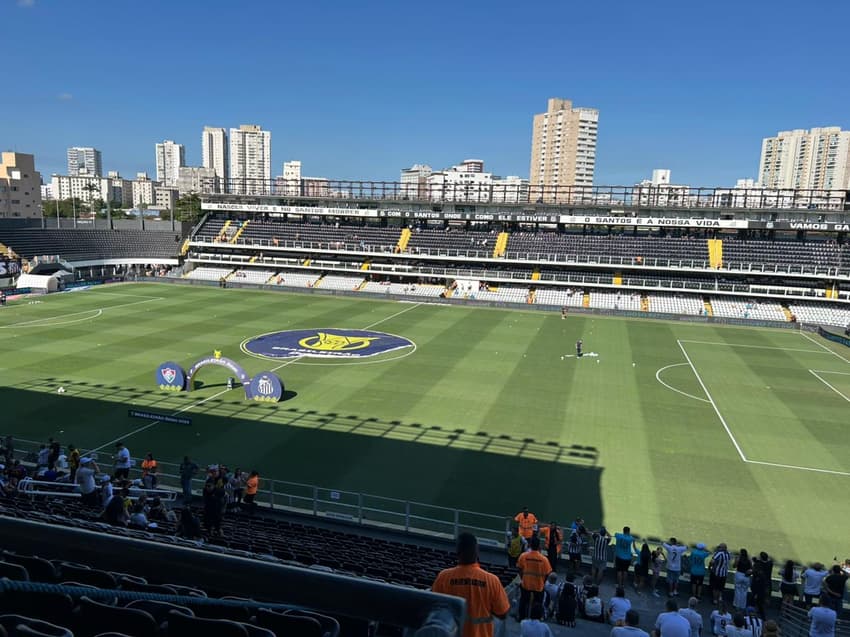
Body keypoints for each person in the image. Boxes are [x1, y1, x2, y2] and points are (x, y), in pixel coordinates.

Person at [431, 533, 510, 637]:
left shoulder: (443, 577)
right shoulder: (492, 580)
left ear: (458, 552)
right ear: (477, 552)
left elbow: (434, 608)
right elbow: (503, 613)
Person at [517, 535, 552, 620]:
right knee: (538, 603)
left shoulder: (523, 556)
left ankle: (521, 617)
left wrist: (523, 578)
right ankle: (536, 618)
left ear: (530, 544)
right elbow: (548, 573)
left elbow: (519, 569)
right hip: (539, 586)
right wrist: (543, 582)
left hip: (526, 584)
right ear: (539, 546)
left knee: (523, 601)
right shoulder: (544, 559)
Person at [751, 552, 773, 618]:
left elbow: (755, 571)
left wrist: (756, 561)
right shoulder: (770, 564)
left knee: (757, 598)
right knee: (765, 598)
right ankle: (763, 612)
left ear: (761, 558)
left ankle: (757, 612)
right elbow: (768, 562)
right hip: (767, 583)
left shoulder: (758, 564)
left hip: (759, 584)